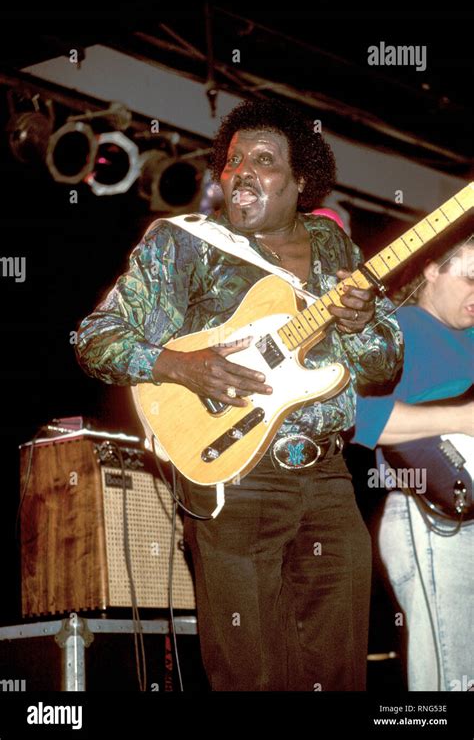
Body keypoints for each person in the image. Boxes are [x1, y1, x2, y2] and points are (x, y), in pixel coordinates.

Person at [75, 99, 402, 691]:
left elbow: (384, 364)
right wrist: (179, 365)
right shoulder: (184, 245)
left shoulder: (338, 253)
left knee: (339, 670)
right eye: (232, 162)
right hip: (235, 478)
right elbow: (95, 340)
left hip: (330, 478)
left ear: (302, 181)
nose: (242, 172)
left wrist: (361, 328)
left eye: (263, 160)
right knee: (250, 673)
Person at [353, 232, 474, 691]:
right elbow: (361, 419)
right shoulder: (396, 329)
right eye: (471, 276)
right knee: (453, 678)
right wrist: (461, 418)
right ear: (431, 269)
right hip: (434, 515)